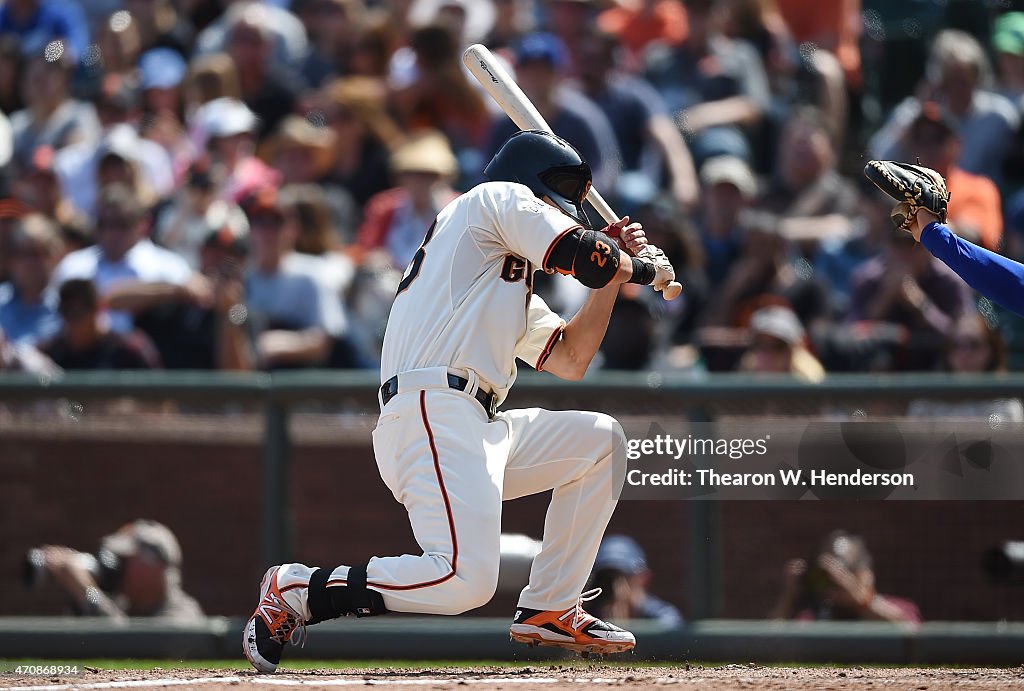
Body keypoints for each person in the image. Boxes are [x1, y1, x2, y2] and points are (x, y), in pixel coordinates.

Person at [242, 129, 675, 674]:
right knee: (464, 579)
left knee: (600, 442)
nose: (553, 215)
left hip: (473, 421)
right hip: (433, 409)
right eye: (555, 206)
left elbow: (571, 358)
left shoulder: (493, 277)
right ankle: (298, 590)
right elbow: (579, 253)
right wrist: (627, 262)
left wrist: (612, 277)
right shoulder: (493, 199)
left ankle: (551, 605)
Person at [24, 519, 204, 623]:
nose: (117, 565)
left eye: (124, 558)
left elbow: (127, 641)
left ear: (154, 565)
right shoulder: (121, 603)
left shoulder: (183, 614)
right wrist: (76, 593)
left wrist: (87, 592)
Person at [770, 529, 921, 625]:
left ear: (866, 574)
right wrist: (789, 596)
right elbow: (770, 642)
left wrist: (861, 601)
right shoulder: (813, 619)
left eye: (844, 571)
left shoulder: (900, 608)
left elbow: (911, 631)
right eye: (828, 574)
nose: (836, 581)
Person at [39, 279, 161, 370]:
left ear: (97, 308)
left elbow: (159, 398)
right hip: (73, 406)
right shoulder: (53, 352)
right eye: (65, 311)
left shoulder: (129, 350)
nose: (72, 320)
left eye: (78, 312)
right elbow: (42, 387)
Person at [586, 535, 683, 626]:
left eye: (624, 577)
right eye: (606, 579)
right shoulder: (585, 617)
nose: (614, 587)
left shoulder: (662, 618)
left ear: (644, 578)